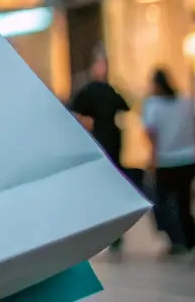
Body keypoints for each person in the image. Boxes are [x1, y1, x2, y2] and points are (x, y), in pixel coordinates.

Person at [68, 48, 133, 254]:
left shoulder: (95, 90)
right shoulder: (105, 90)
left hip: (104, 142)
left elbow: (74, 109)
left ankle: (113, 234)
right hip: (110, 141)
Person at [142, 68, 195, 256]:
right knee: (184, 200)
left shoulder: (153, 106)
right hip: (189, 157)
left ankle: (176, 239)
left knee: (162, 201)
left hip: (166, 160)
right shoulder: (187, 102)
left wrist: (152, 160)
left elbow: (151, 135)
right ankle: (191, 240)